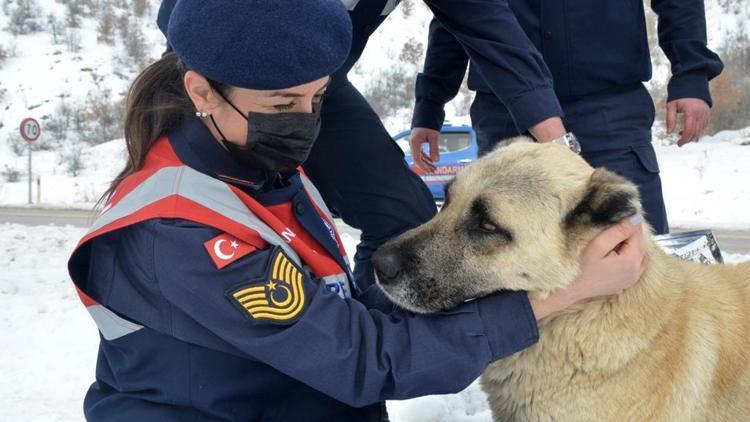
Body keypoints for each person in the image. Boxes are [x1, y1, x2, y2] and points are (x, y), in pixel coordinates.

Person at [69, 1, 648, 420]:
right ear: (201, 93)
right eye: (283, 103)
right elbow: (364, 361)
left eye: (318, 98)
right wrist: (563, 294)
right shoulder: (181, 228)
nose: (306, 120)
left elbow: (334, 311)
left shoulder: (254, 163)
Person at [409, 1, 724, 235]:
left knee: (636, 248)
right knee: (504, 259)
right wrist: (430, 102)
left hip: (608, 111)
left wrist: (692, 73)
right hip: (506, 116)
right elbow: (459, 12)